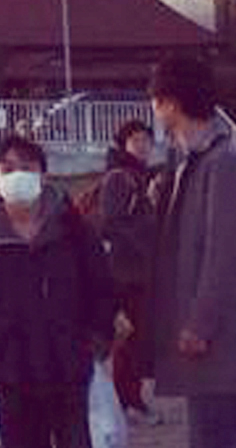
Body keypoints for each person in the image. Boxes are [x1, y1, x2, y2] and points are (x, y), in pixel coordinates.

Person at [0, 135, 115, 448]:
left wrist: (96, 341)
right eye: (7, 168)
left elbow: (102, 288)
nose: (17, 175)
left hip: (68, 365)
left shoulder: (74, 228)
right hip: (9, 368)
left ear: (43, 175)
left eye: (26, 167)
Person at [144, 54, 236, 448]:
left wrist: (200, 323)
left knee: (215, 433)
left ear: (170, 103)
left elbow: (223, 255)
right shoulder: (188, 163)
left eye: (155, 100)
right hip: (204, 331)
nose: (154, 110)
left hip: (218, 334)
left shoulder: (223, 165)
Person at [83, 120, 161, 426]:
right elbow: (111, 222)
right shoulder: (120, 178)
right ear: (123, 144)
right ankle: (126, 401)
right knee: (129, 339)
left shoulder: (137, 176)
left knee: (132, 338)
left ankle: (128, 399)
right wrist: (146, 239)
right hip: (125, 272)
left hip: (134, 270)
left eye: (146, 140)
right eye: (135, 140)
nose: (142, 146)